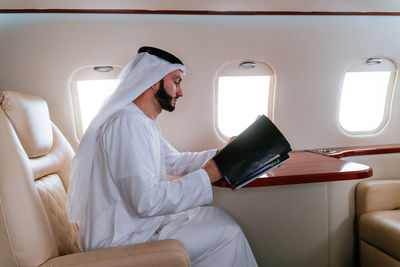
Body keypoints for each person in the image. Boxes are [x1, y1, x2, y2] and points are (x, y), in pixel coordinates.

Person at [66, 46, 258, 267]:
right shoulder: (126, 124)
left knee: (216, 217)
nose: (181, 92)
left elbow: (174, 161)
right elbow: (146, 201)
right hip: (120, 238)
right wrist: (210, 173)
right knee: (228, 232)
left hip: (138, 227)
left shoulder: (142, 122)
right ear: (153, 81)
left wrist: (220, 154)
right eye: (176, 82)